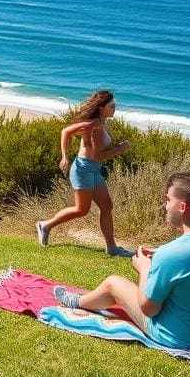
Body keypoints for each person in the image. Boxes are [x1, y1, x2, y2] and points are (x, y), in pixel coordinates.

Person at [54, 173, 190, 351]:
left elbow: (149, 309)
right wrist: (160, 253)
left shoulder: (171, 254)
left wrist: (144, 269)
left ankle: (76, 301)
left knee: (113, 283)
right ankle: (84, 300)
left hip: (179, 338)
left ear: (182, 207)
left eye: (168, 200)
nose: (165, 205)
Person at [37, 90, 133, 257]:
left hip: (93, 169)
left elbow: (67, 132)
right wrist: (120, 149)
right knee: (81, 210)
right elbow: (96, 155)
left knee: (107, 206)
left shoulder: (101, 121)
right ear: (101, 108)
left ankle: (112, 248)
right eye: (112, 106)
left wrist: (66, 157)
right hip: (83, 170)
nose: (115, 108)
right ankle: (44, 226)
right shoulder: (95, 126)